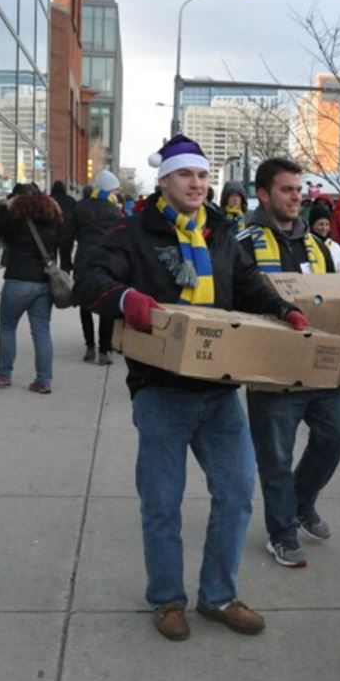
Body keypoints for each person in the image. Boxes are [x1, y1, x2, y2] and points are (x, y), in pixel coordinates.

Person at [76, 135, 306, 642]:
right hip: (161, 392)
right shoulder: (133, 233)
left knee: (237, 492)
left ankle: (218, 595)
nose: (197, 184)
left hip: (219, 390)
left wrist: (281, 308)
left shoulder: (221, 233)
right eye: (186, 175)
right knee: (162, 500)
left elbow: (247, 282)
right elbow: (88, 278)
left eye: (202, 176)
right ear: (164, 181)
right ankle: (166, 599)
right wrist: (126, 298)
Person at [236, 158, 340, 569]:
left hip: (321, 367)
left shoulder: (320, 247)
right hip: (271, 370)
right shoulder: (242, 243)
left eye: (298, 190)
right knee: (276, 458)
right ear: (264, 195)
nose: (296, 196)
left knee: (337, 433)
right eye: (287, 189)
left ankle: (303, 502)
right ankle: (281, 534)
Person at [0, 187, 63, 394]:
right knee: (42, 331)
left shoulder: (15, 219)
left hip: (18, 280)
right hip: (44, 282)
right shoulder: (52, 219)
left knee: (8, 328)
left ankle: (3, 374)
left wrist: (3, 205)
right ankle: (44, 380)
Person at [70, 171, 124, 364]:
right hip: (106, 262)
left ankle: (89, 347)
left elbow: (69, 236)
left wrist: (66, 263)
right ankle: (104, 350)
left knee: (85, 305)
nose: (118, 192)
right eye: (116, 189)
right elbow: (120, 240)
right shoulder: (114, 211)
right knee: (106, 304)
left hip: (83, 259)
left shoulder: (80, 207)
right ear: (110, 190)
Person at [306, 200, 340, 273]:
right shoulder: (305, 244)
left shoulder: (335, 247)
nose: (324, 228)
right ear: (312, 225)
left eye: (327, 224)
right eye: (320, 224)